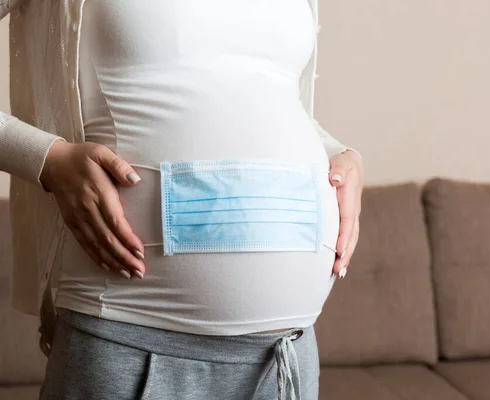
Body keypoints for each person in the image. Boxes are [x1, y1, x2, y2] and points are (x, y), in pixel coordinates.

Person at [0, 0, 364, 399]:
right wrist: (46, 158)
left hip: (286, 358)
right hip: (127, 332)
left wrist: (341, 156)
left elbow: (265, 92)